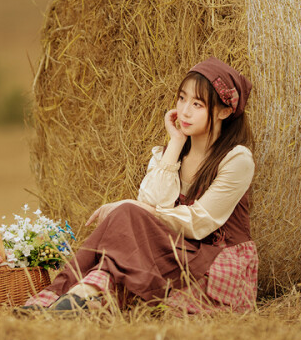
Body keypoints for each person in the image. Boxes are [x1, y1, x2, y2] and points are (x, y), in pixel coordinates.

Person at [19, 57, 258, 314]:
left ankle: (62, 293)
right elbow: (152, 201)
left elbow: (199, 223)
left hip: (216, 260)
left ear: (224, 111)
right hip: (177, 252)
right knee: (125, 248)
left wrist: (132, 207)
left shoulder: (237, 159)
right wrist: (176, 143)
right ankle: (82, 296)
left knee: (128, 216)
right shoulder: (168, 154)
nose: (185, 110)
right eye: (181, 98)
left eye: (197, 104)